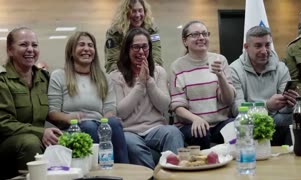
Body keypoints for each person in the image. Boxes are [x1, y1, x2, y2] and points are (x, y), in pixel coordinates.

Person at [48, 31, 129, 163]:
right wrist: (68, 117)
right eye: (81, 45)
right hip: (72, 128)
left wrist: (106, 121)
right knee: (89, 126)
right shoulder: (59, 76)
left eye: (90, 45)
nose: (87, 49)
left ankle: (123, 171)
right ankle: (96, 174)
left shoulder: (104, 78)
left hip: (99, 125)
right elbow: (52, 113)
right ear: (71, 51)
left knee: (114, 123)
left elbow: (110, 109)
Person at [110, 27, 184, 169]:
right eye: (136, 47)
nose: (141, 52)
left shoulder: (159, 72)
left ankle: (173, 177)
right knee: (133, 146)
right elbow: (121, 112)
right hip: (129, 131)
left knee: (174, 132)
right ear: (127, 49)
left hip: (156, 129)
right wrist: (140, 84)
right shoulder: (116, 76)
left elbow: (164, 106)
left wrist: (149, 81)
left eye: (145, 47)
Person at [0, 27, 62, 179]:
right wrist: (41, 132)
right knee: (30, 141)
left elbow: (52, 111)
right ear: (10, 50)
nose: (30, 50)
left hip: (39, 140)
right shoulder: (2, 80)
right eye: (23, 45)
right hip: (8, 144)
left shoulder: (44, 78)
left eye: (34, 45)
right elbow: (4, 122)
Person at [170, 20, 236, 150]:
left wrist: (220, 76)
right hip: (191, 124)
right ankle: (204, 168)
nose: (201, 38)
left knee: (237, 126)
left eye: (204, 34)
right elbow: (177, 106)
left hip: (219, 123)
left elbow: (229, 100)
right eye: (195, 35)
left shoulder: (220, 60)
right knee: (201, 131)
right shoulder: (177, 66)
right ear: (185, 41)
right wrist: (196, 119)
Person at [231, 26, 298, 146]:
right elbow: (237, 109)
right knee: (239, 122)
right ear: (246, 47)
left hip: (276, 118)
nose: (264, 51)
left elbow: (285, 111)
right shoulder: (234, 70)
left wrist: (290, 104)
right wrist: (267, 106)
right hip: (248, 121)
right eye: (258, 46)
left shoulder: (281, 68)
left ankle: (291, 157)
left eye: (267, 45)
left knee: (296, 117)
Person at [104, 0, 162, 73]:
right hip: (123, 73)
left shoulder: (151, 29)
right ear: (125, 13)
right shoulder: (115, 33)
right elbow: (112, 62)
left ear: (145, 11)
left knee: (159, 71)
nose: (137, 15)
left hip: (147, 70)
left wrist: (148, 72)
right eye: (133, 11)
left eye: (140, 11)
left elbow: (157, 56)